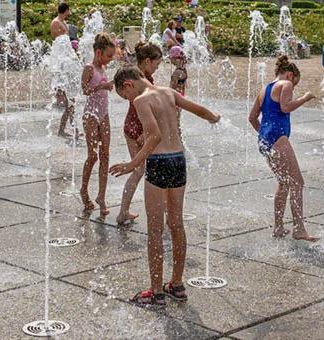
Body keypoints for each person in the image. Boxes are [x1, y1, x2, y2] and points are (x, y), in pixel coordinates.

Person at [109, 66, 221, 306]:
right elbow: (199, 110)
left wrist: (132, 163)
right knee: (176, 224)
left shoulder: (141, 100)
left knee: (156, 229)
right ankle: (177, 284)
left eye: (124, 96)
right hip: (178, 160)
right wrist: (214, 117)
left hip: (159, 163)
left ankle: (156, 291)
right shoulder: (169, 92)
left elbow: (154, 136)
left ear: (127, 84)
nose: (128, 101)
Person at [249, 55, 319, 241]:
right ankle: (299, 229)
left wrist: (265, 134)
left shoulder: (264, 89)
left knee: (284, 182)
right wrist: (304, 98)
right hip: (277, 137)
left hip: (266, 139)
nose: (293, 88)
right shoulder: (285, 84)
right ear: (290, 75)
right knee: (297, 182)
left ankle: (278, 228)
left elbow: (252, 118)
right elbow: (286, 107)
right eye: (295, 84)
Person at [115, 42, 164, 226]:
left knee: (137, 170)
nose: (156, 69)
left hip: (130, 126)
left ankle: (123, 211)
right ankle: (158, 212)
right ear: (147, 61)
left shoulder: (132, 75)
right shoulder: (145, 81)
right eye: (156, 65)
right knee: (152, 172)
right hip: (142, 128)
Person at [80, 33, 117, 214]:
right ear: (99, 52)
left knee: (105, 155)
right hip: (90, 115)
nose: (111, 60)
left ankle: (101, 196)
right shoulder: (89, 68)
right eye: (109, 56)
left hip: (104, 114)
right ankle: (84, 191)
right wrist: (102, 86)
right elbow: (85, 90)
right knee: (92, 156)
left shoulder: (102, 68)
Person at [51, 2, 76, 138]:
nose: (70, 12)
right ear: (65, 10)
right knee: (70, 103)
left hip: (67, 63)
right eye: (69, 10)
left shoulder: (63, 22)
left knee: (71, 103)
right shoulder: (56, 22)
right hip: (61, 66)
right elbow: (56, 40)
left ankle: (68, 129)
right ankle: (68, 130)